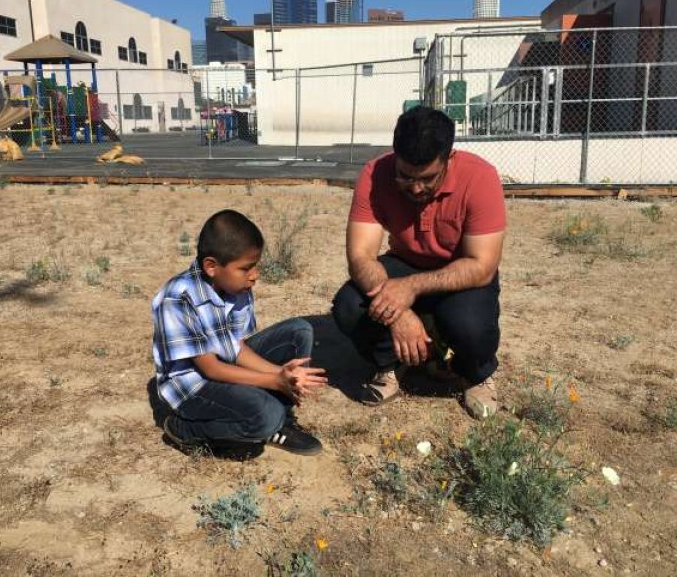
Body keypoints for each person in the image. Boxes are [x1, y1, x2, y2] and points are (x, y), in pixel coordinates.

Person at [332, 106, 506, 419]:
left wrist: (409, 289)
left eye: (427, 178)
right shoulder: (375, 174)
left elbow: (481, 265)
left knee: (469, 324)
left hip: (461, 270)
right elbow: (360, 256)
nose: (414, 187)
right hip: (404, 262)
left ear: (448, 159)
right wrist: (398, 316)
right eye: (405, 176)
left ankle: (475, 373)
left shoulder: (481, 177)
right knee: (350, 305)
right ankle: (392, 362)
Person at [152, 209, 327, 455]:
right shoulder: (177, 299)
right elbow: (210, 369)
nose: (255, 275)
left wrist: (283, 373)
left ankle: (282, 422)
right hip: (194, 387)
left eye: (255, 266)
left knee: (299, 331)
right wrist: (275, 381)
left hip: (223, 367)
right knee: (265, 414)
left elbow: (235, 348)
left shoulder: (236, 287)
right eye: (247, 268)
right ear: (212, 266)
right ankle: (184, 430)